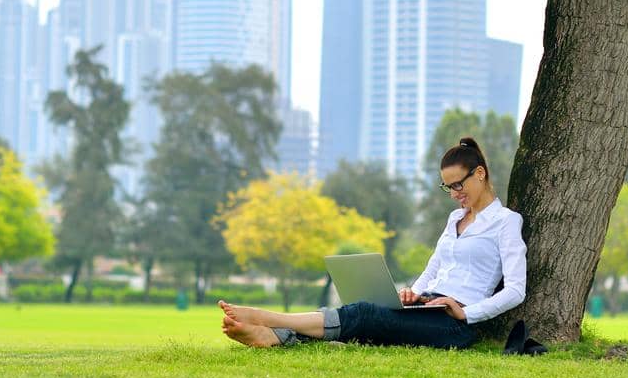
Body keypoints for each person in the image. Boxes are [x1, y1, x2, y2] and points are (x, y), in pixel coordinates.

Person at [219, 135, 526, 351]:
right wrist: (413, 293)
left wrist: (464, 312)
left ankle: (268, 320)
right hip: (424, 308)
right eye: (448, 187)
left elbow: (515, 290)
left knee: (365, 315)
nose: (454, 193)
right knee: (365, 315)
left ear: (481, 174)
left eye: (459, 184)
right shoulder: (453, 219)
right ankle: (275, 337)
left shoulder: (506, 222)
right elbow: (434, 268)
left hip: (455, 325)